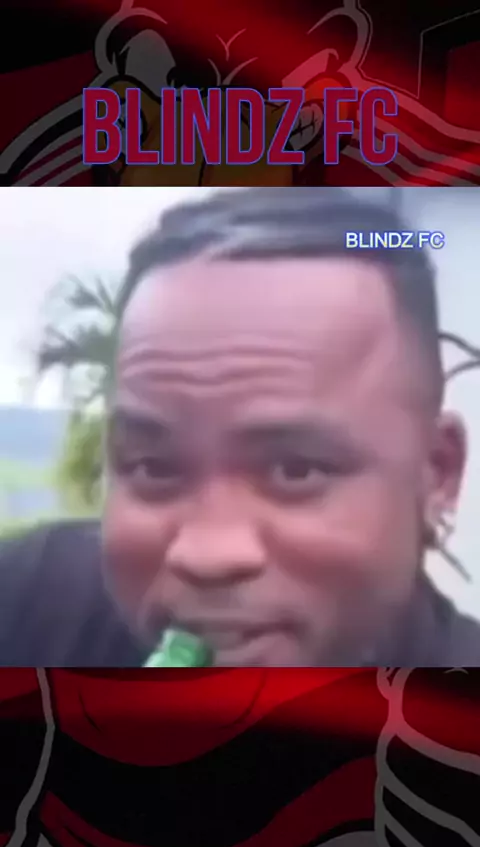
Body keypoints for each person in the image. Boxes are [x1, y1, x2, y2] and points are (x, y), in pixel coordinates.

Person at [1, 186, 479, 667]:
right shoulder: (33, 604)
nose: (206, 555)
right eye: (153, 467)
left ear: (437, 472)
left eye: (295, 470)